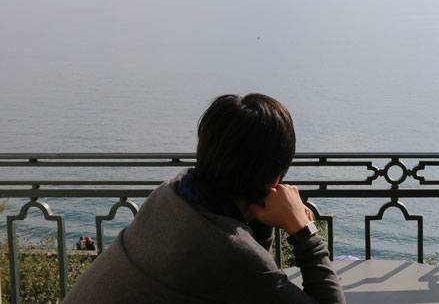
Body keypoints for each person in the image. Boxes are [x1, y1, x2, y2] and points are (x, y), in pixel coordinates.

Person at [64, 93, 344, 303]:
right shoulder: (227, 251)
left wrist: (260, 217)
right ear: (275, 180)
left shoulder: (173, 194)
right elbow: (247, 268)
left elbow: (247, 285)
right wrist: (304, 233)